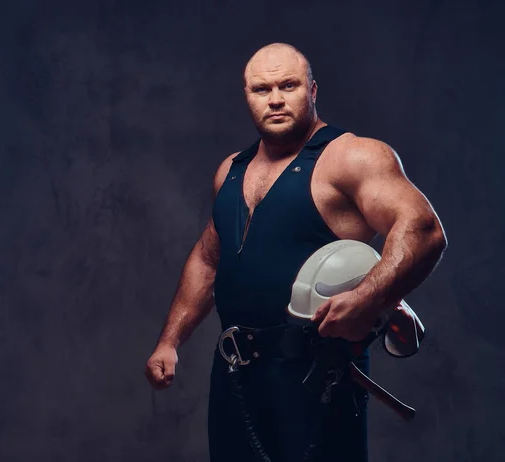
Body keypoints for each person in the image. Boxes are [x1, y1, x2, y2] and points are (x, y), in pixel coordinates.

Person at [144, 42, 447, 461]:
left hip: (317, 376)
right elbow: (208, 259)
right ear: (246, 96)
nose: (275, 99)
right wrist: (169, 342)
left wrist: (367, 299)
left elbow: (423, 229)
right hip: (235, 376)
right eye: (261, 89)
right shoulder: (231, 170)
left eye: (288, 85)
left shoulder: (350, 156)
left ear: (313, 89)